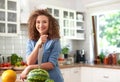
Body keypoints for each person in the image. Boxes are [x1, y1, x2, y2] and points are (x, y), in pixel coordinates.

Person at [20, 9, 64, 82]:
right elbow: (30, 62)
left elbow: (51, 64)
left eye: (44, 22)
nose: (41, 25)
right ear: (34, 24)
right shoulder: (31, 41)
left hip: (53, 79)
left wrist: (29, 68)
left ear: (50, 24)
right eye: (38, 22)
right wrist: (37, 44)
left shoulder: (55, 41)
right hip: (37, 80)